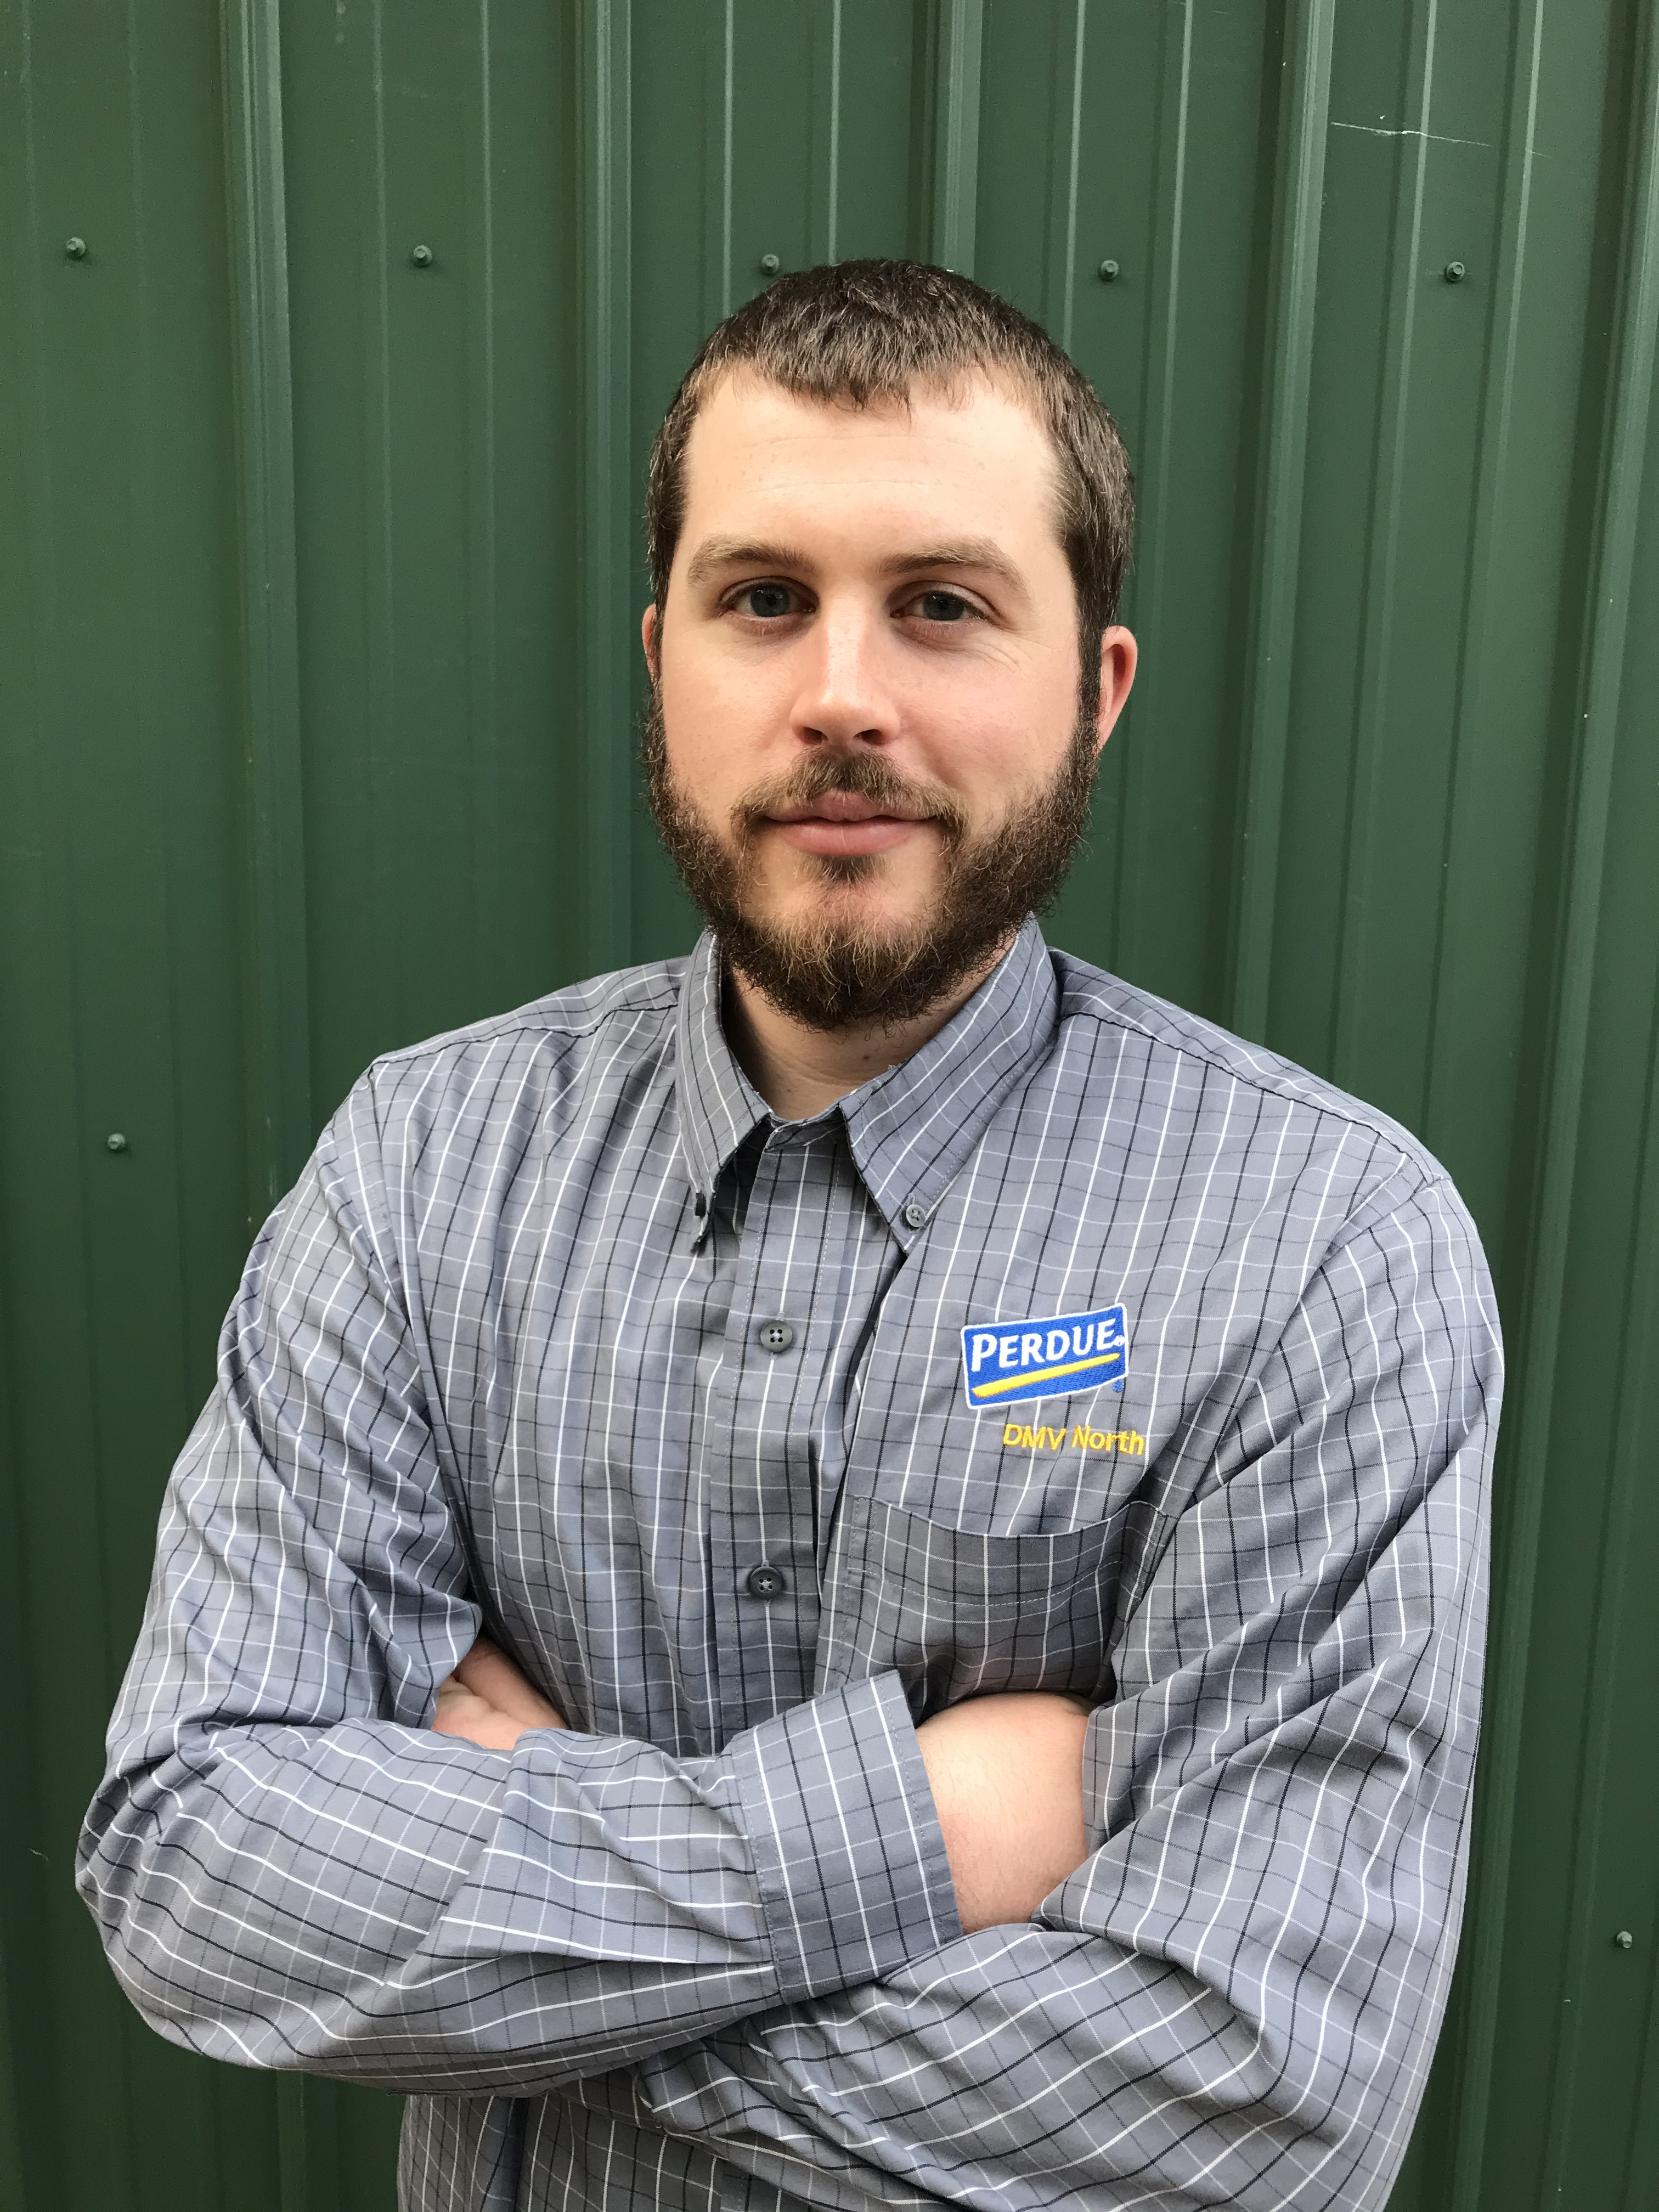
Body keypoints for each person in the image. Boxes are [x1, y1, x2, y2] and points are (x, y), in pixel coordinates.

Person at [79, 261, 1499, 2211]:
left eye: (943, 605)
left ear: (1097, 688)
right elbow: (198, 1871)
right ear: (661, 655)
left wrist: (522, 1904)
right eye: (766, 601)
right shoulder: (427, 1167)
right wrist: (915, 1832)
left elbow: (1263, 2104)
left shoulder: (1327, 1247)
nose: (843, 694)